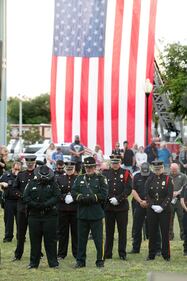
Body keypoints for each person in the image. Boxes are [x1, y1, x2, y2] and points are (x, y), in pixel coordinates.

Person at [72, 156, 108, 268]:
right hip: (82, 213)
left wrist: (94, 198)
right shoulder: (79, 178)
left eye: (90, 167)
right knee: (81, 240)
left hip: (95, 213)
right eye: (86, 167)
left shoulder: (101, 178)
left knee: (98, 239)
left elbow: (104, 194)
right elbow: (73, 191)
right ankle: (80, 261)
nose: (88, 169)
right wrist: (79, 197)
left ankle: (100, 260)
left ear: (94, 167)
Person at [23, 165, 60, 269]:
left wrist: (46, 204)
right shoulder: (31, 183)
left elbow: (57, 196)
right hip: (34, 216)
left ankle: (53, 263)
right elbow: (25, 197)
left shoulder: (53, 184)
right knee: (35, 241)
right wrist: (35, 205)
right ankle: (33, 263)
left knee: (51, 241)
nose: (43, 178)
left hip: (50, 216)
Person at [103, 155, 132, 260]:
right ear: (111, 163)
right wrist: (110, 198)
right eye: (113, 163)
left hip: (122, 208)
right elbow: (103, 188)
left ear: (120, 162)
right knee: (109, 232)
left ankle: (122, 253)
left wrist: (118, 199)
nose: (115, 165)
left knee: (122, 232)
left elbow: (128, 189)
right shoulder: (105, 174)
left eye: (117, 163)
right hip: (109, 207)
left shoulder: (126, 173)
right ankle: (107, 253)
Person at [145, 160, 173, 261]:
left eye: (159, 169)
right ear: (153, 169)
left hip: (164, 210)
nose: (157, 171)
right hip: (152, 210)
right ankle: (151, 254)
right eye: (156, 169)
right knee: (152, 232)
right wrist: (152, 205)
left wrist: (162, 207)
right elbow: (146, 194)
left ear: (162, 168)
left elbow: (169, 195)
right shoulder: (149, 179)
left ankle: (166, 255)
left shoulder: (168, 179)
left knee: (165, 233)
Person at [12, 155, 37, 261]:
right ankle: (18, 254)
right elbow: (14, 188)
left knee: (35, 233)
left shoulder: (38, 174)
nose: (30, 165)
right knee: (21, 233)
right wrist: (22, 196)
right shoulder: (21, 175)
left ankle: (37, 253)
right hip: (22, 208)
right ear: (26, 163)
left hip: (34, 208)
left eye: (32, 163)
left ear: (35, 163)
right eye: (28, 163)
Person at [56, 161, 77, 260]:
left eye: (71, 169)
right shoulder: (59, 179)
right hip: (63, 209)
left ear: (74, 169)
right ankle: (61, 253)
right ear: (65, 169)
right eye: (68, 169)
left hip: (75, 209)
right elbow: (56, 192)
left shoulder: (78, 179)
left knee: (75, 232)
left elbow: (80, 191)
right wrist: (64, 197)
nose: (69, 171)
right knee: (62, 233)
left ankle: (76, 253)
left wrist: (73, 197)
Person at [129, 162, 150, 253]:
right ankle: (135, 248)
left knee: (154, 227)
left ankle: (156, 248)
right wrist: (140, 201)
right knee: (137, 227)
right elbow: (133, 190)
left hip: (151, 205)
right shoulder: (136, 176)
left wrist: (148, 202)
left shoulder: (153, 176)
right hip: (139, 204)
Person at [0, 162, 22, 242]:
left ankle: (21, 237)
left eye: (18, 169)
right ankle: (8, 237)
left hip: (19, 201)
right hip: (9, 201)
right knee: (8, 220)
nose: (17, 171)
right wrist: (2, 183)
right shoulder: (6, 175)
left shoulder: (22, 176)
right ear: (12, 168)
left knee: (20, 221)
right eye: (15, 169)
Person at [169, 163, 186, 240]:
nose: (174, 172)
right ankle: (170, 236)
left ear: (178, 168)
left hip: (180, 200)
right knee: (169, 218)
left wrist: (177, 193)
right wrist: (171, 193)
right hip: (169, 200)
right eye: (172, 170)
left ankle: (183, 235)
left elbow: (185, 187)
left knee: (181, 218)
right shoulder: (167, 176)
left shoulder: (183, 176)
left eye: (175, 170)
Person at [180, 183, 187, 256]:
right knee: (186, 231)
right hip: (186, 212)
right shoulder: (185, 187)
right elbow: (182, 200)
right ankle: (186, 250)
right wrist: (186, 209)